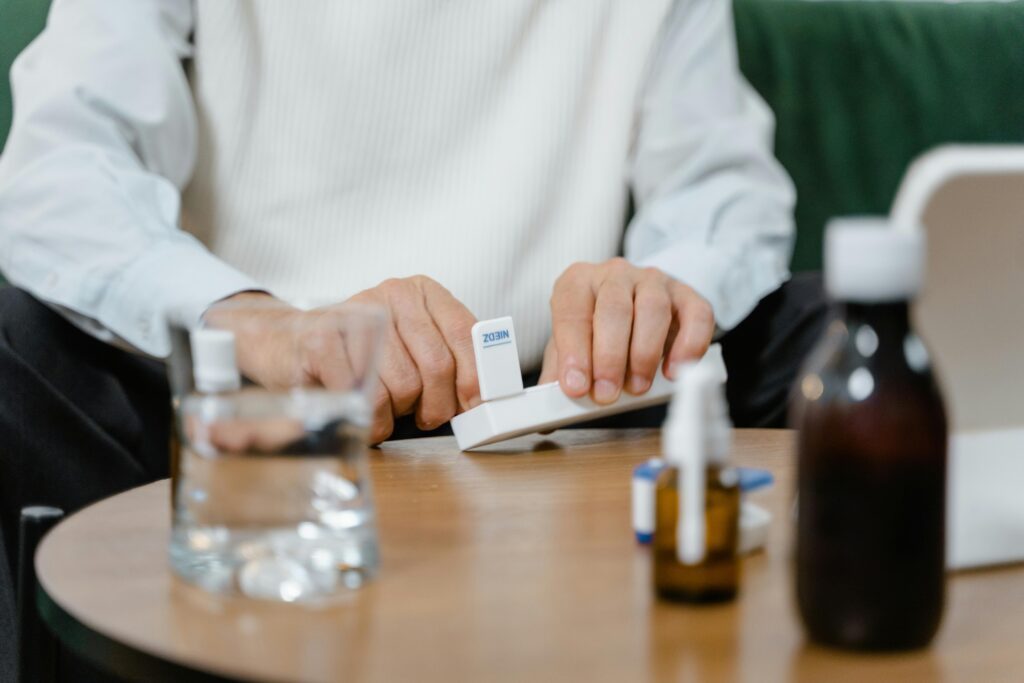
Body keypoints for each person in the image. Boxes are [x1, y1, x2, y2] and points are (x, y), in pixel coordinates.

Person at [0, 1, 828, 679]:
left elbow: (719, 187)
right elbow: (56, 171)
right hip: (253, 394)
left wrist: (657, 291)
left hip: (566, 405)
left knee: (844, 336)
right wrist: (262, 322)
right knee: (17, 334)